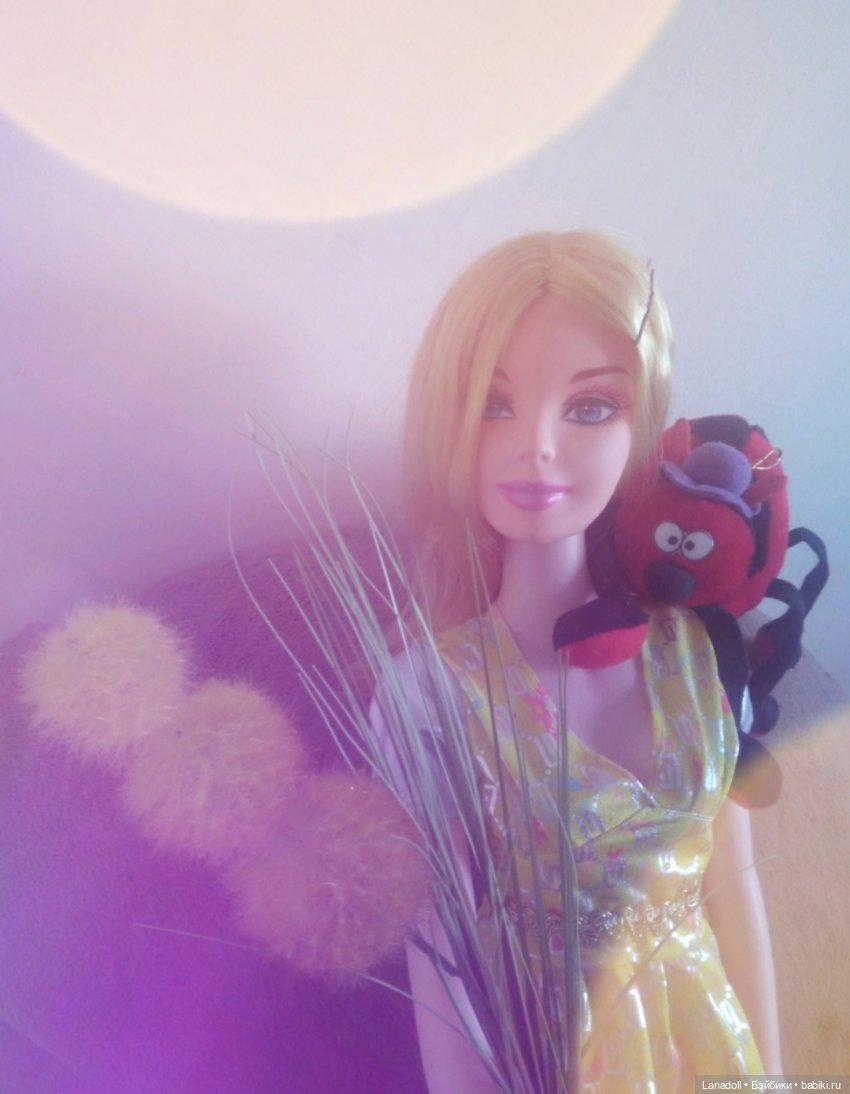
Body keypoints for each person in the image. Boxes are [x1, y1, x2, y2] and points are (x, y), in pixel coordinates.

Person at [372, 230, 781, 1092]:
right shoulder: (429, 692)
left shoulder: (701, 652)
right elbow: (440, 960)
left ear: (642, 424)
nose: (538, 446)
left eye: (590, 407)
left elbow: (735, 890)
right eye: (494, 404)